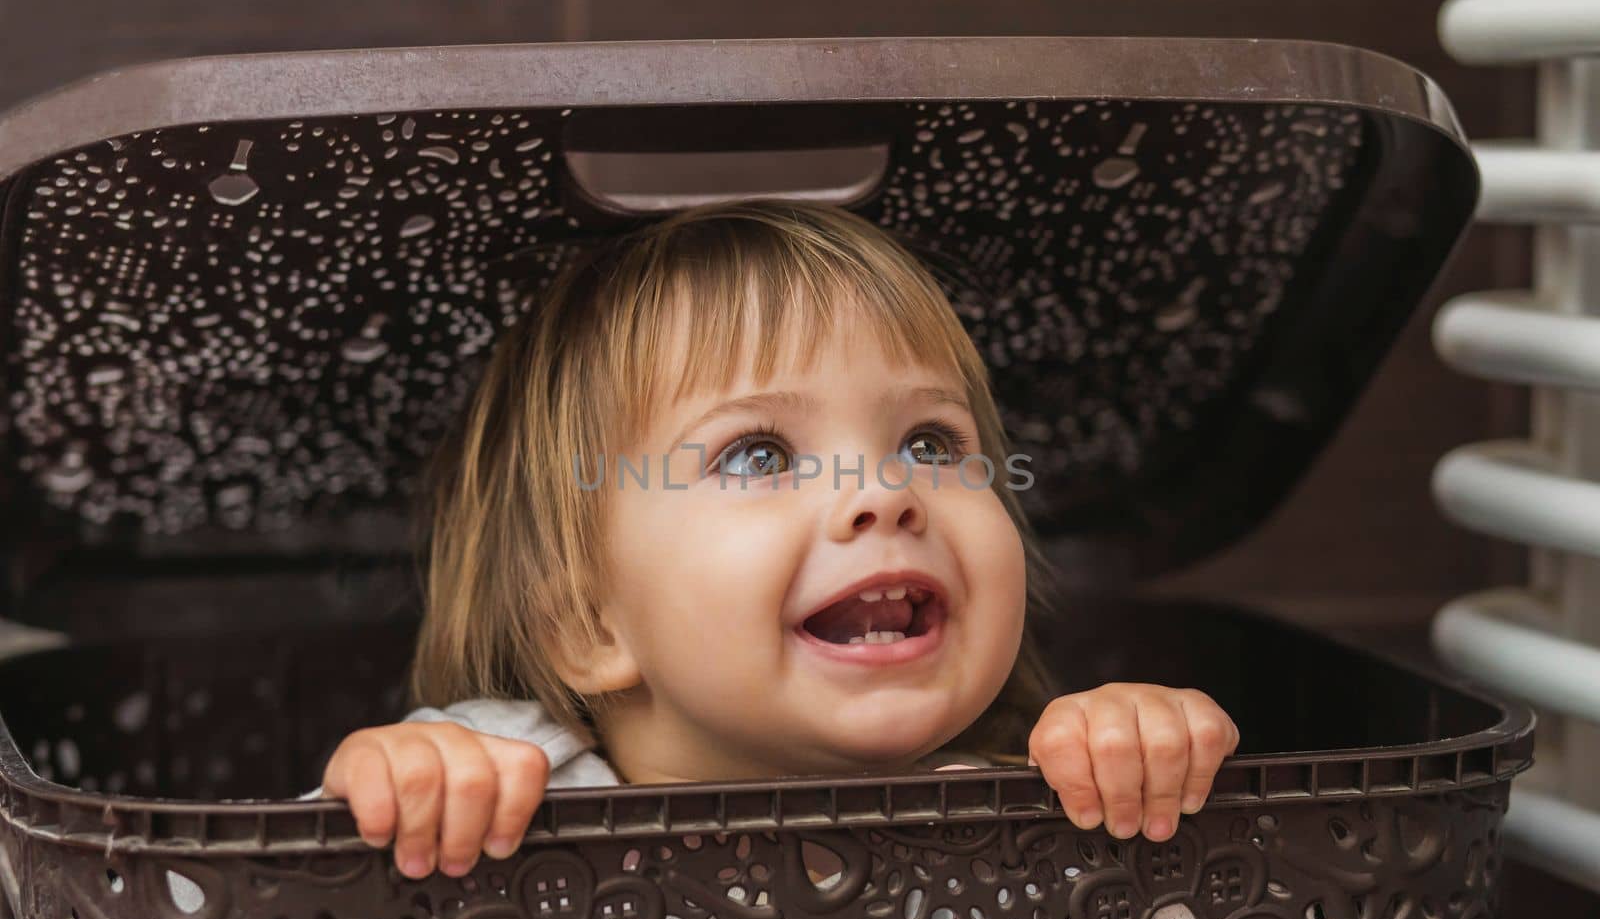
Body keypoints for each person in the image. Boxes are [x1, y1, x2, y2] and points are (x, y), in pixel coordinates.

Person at [317, 198, 1240, 884]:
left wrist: (1141, 766)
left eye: (930, 442)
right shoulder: (515, 789)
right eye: (758, 454)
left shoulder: (1042, 804)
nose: (883, 491)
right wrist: (398, 789)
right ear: (588, 623)